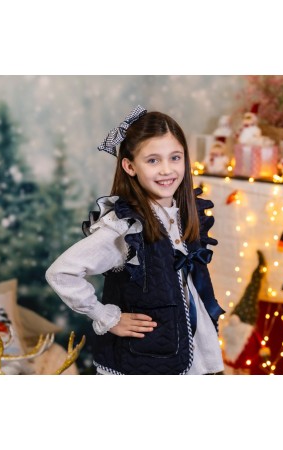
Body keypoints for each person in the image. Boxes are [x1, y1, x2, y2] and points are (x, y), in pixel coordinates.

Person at [46, 105, 225, 375]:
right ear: (130, 166)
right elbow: (61, 272)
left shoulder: (184, 214)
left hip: (187, 348)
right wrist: (106, 316)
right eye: (153, 160)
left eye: (175, 157)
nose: (167, 170)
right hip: (142, 360)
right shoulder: (125, 227)